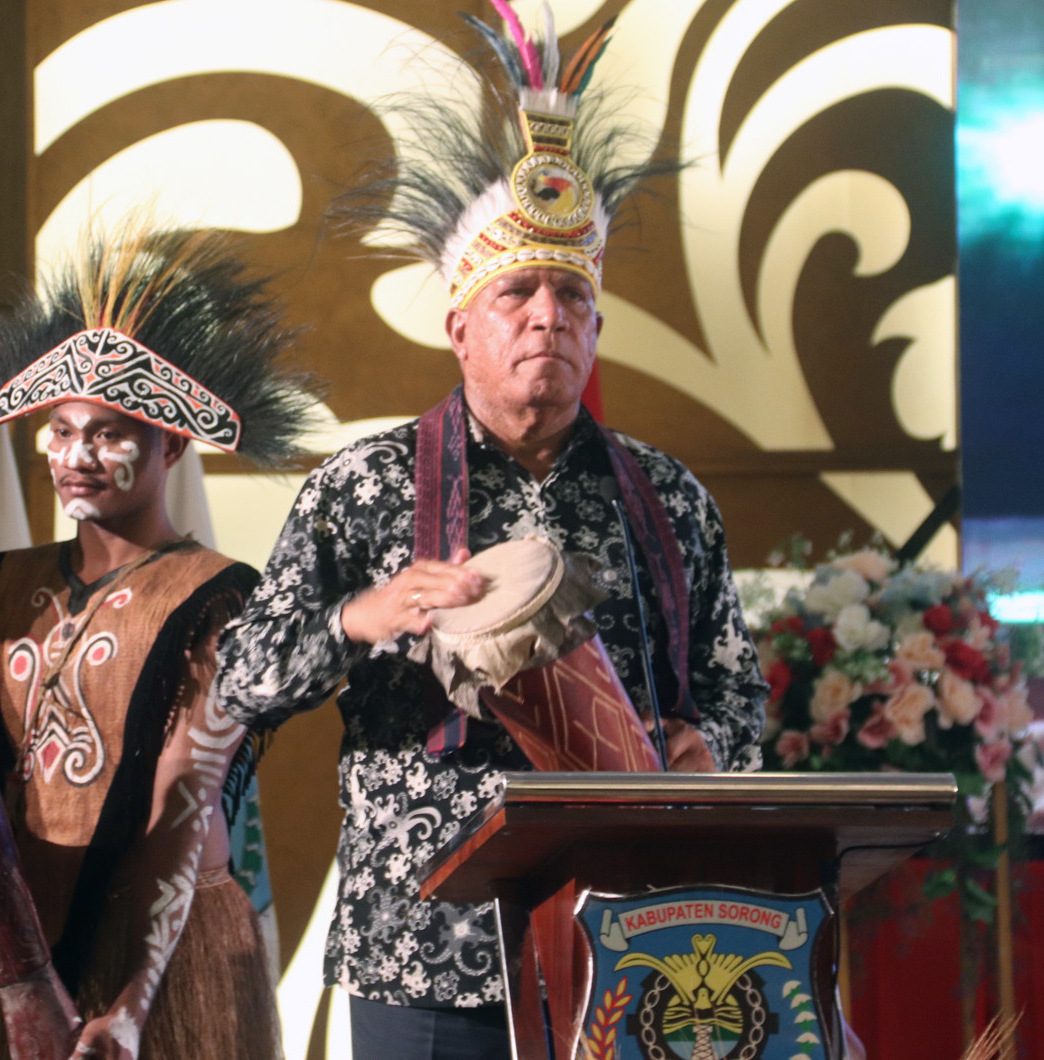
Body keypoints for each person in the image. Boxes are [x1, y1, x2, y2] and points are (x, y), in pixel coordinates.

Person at [210, 9, 769, 1057]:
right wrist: (360, 616)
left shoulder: (668, 497)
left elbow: (736, 689)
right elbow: (239, 679)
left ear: (596, 328)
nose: (546, 315)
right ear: (459, 325)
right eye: (517, 291)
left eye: (570, 296)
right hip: (424, 935)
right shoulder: (361, 487)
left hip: (631, 930)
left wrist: (712, 750)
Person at [0, 222, 315, 1060]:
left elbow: (185, 800)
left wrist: (133, 1000)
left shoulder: (215, 594)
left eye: (109, 432)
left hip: (169, 938)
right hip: (35, 938)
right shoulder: (3, 586)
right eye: (60, 429)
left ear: (170, 442)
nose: (76, 454)